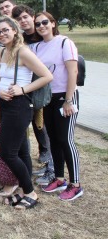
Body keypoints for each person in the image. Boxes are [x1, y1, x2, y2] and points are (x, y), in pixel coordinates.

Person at [0, 16, 52, 209]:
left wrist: (23, 89)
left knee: (7, 153)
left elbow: (46, 76)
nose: (1, 34)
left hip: (20, 106)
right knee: (21, 150)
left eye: (5, 30)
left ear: (14, 30)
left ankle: (30, 193)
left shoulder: (23, 52)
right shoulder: (1, 51)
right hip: (4, 103)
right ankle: (25, 189)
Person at [33, 12, 83, 201]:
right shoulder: (37, 47)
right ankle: (60, 178)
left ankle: (75, 184)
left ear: (53, 23)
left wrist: (69, 100)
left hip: (65, 97)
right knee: (53, 139)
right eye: (38, 24)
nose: (41, 26)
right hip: (48, 98)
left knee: (65, 139)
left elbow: (73, 71)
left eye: (45, 22)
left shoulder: (64, 42)